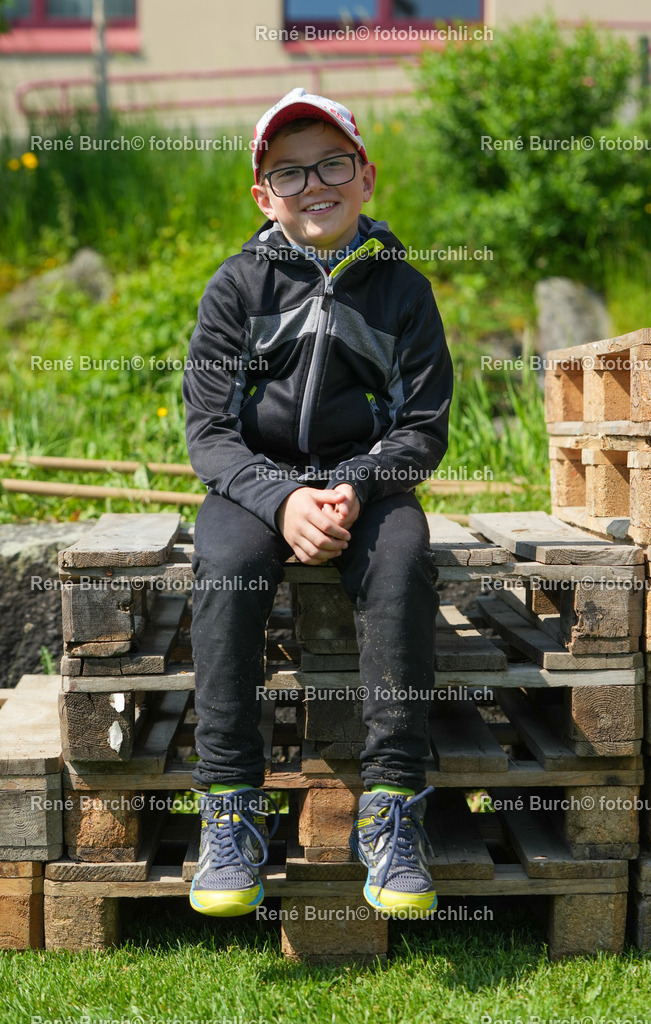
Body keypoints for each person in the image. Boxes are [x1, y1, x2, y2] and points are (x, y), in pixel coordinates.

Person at [182, 87, 453, 920]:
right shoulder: (236, 288)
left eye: (332, 163)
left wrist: (353, 488)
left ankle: (392, 807)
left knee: (404, 560)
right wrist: (283, 499)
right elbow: (209, 432)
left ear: (365, 175)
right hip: (256, 483)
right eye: (289, 172)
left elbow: (422, 426)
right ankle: (229, 805)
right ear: (263, 196)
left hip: (364, 481)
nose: (314, 184)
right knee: (224, 566)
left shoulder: (401, 290)